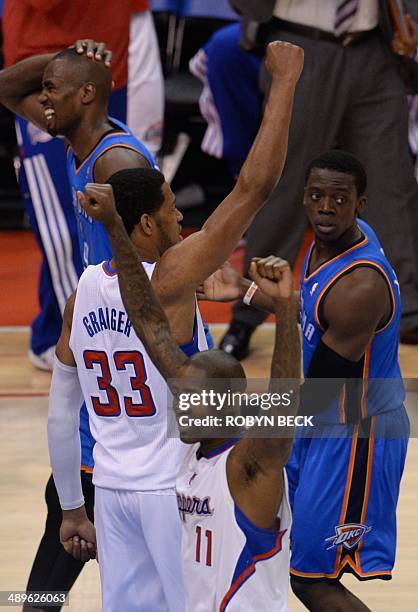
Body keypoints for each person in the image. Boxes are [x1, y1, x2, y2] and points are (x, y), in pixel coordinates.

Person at [45, 40, 304, 611]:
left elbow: (62, 410)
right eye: (169, 209)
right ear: (142, 224)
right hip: (174, 488)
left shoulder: (82, 291)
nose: (181, 215)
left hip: (111, 491)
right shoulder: (170, 277)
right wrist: (284, 84)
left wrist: (70, 504)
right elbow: (254, 188)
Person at [72, 180, 300, 611]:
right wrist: (115, 228)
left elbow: (285, 398)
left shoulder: (251, 464)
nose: (180, 401)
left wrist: (286, 310)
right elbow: (148, 322)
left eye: (190, 396)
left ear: (225, 410)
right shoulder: (192, 459)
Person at [198, 150, 410, 610]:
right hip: (324, 418)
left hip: (357, 433)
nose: (327, 207)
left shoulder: (361, 287)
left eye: (339, 198)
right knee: (278, 544)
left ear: (361, 204)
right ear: (305, 199)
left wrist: (231, 416)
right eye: (317, 196)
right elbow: (306, 317)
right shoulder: (325, 243)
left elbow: (315, 395)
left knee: (311, 578)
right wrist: (248, 291)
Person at [0, 42, 159, 611]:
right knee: (68, 518)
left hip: (137, 352)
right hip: (105, 337)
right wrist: (56, 57)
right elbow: (5, 86)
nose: (41, 100)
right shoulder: (78, 139)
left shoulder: (120, 162)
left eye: (54, 89)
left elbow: (170, 248)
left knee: (70, 519)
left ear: (87, 94)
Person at [191, 0, 418, 356]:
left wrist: (409, 22)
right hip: (302, 43)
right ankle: (246, 316)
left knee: (392, 185)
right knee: (283, 184)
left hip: (375, 48)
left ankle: (406, 310)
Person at [2, 0, 164, 371]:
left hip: (109, 58)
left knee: (112, 228)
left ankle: (88, 342)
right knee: (67, 230)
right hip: (57, 59)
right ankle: (68, 339)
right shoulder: (59, 106)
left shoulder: (119, 153)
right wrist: (60, 62)